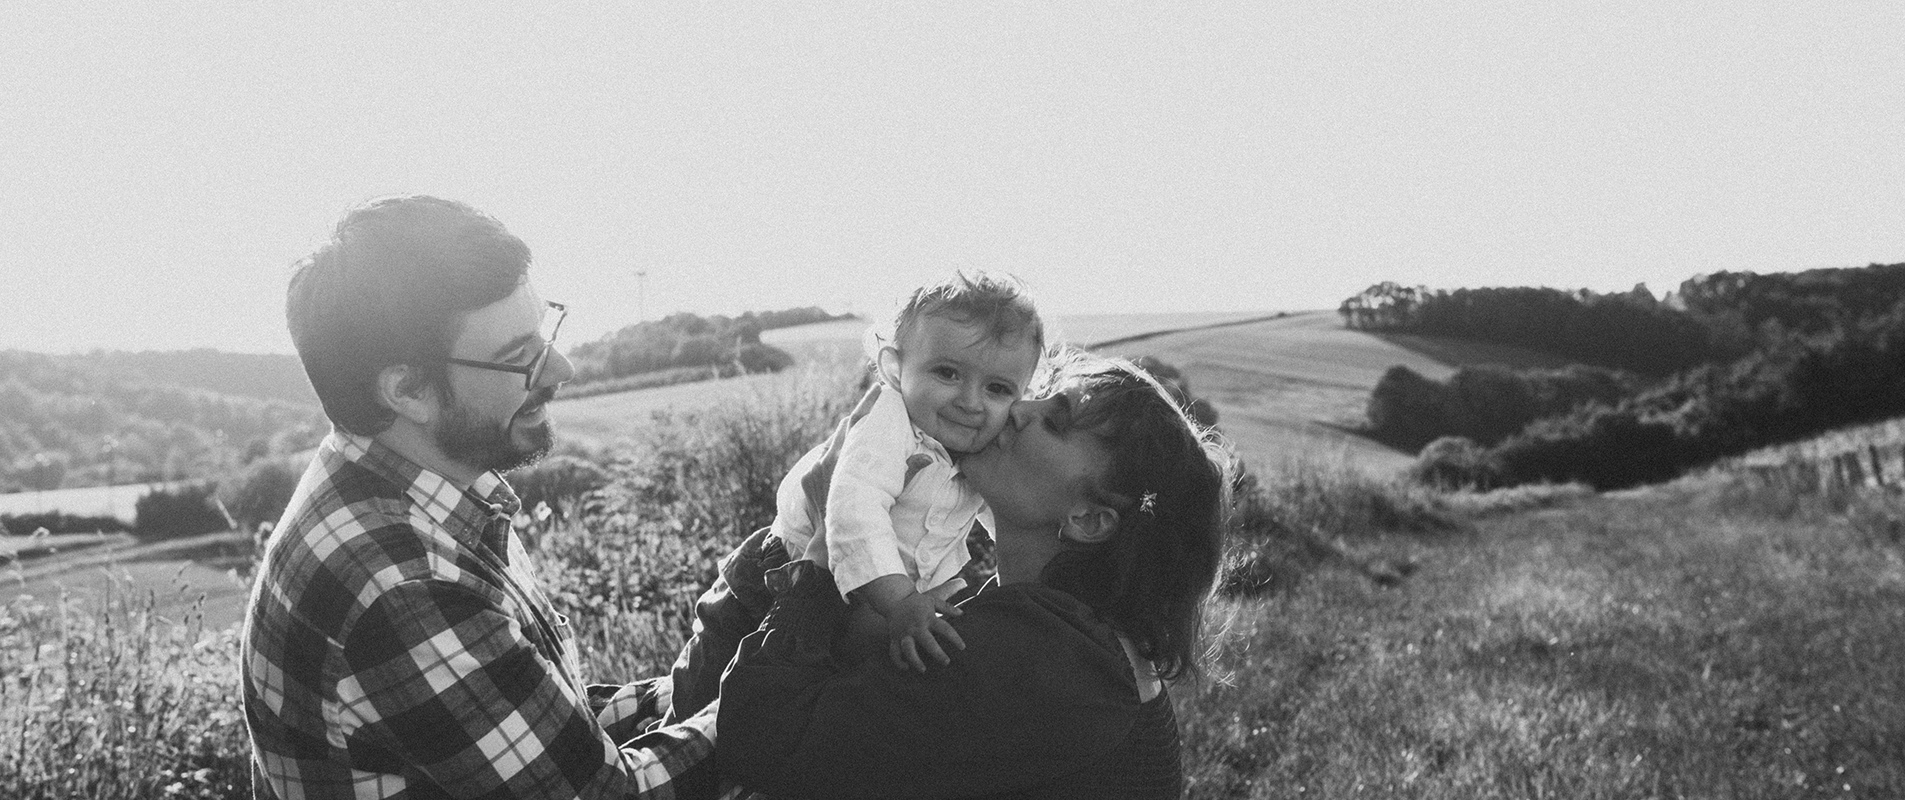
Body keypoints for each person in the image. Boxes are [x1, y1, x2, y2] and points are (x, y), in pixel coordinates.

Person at [240, 195, 716, 799]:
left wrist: (706, 680)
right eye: (518, 357)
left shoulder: (418, 492)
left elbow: (529, 725)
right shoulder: (400, 583)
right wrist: (771, 702)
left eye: (544, 332)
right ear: (408, 391)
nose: (560, 368)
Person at [714, 350, 1231, 799]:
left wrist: (829, 544)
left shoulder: (1039, 662)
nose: (1019, 410)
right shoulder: (1073, 640)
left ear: (1089, 520)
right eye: (1039, 397)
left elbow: (756, 736)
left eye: (1055, 422)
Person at [666, 272, 1045, 722]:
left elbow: (1004, 515)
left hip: (874, 597)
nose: (970, 401)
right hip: (781, 576)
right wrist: (901, 602)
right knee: (703, 692)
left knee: (802, 700)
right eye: (948, 373)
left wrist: (1033, 572)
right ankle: (664, 737)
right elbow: (852, 509)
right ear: (895, 369)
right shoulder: (889, 422)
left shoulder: (977, 444)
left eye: (997, 388)